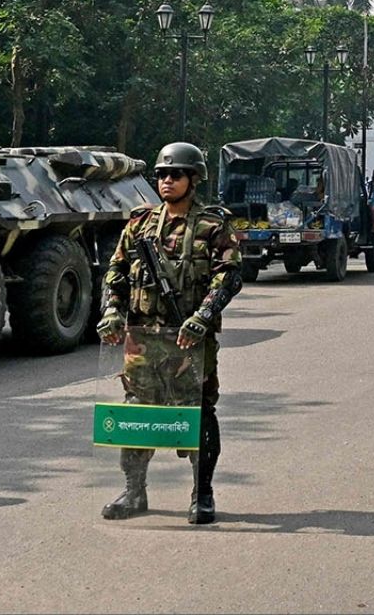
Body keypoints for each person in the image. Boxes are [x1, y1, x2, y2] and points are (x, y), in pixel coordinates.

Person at [97, 142, 243, 524]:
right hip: (143, 337)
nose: (166, 180)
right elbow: (116, 272)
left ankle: (202, 493)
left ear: (193, 179)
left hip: (189, 340)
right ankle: (134, 491)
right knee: (136, 414)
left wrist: (202, 317)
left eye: (175, 174)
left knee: (199, 413)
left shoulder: (213, 225)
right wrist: (112, 311)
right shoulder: (140, 223)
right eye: (161, 174)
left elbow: (229, 277)